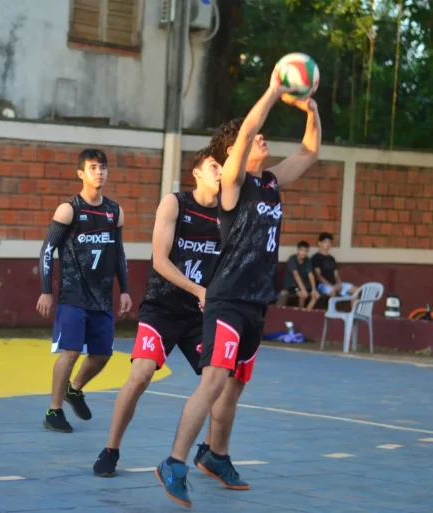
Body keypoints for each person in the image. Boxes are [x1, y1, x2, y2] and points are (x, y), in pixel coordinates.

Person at [155, 72, 321, 507]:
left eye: (267, 137)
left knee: (234, 386)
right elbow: (246, 131)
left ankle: (216, 455)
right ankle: (174, 462)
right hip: (226, 299)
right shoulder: (234, 185)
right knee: (212, 383)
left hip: (256, 302)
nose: (263, 140)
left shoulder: (270, 182)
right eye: (257, 139)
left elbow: (310, 152)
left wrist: (311, 109)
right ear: (235, 154)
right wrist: (273, 90)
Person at [92, 146, 222, 477]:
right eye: (214, 165)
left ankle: (209, 451)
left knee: (220, 380)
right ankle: (111, 449)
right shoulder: (175, 203)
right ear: (197, 172)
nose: (221, 172)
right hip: (162, 308)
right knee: (140, 375)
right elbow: (160, 261)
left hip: (199, 315)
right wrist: (198, 289)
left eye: (225, 166)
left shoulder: (229, 215)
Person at [37, 148, 132, 434]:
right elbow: (47, 249)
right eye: (93, 168)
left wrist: (125, 289)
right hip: (73, 294)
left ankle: (75, 389)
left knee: (103, 353)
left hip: (101, 296)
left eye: (103, 167)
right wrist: (46, 290)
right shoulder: (69, 209)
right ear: (81, 173)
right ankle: (54, 410)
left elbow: (119, 254)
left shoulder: (114, 211)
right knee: (71, 351)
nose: (99, 172)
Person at [312, 232, 358, 297]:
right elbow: (318, 276)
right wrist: (331, 286)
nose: (328, 244)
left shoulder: (332, 258)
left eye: (330, 242)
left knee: (356, 290)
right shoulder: (316, 257)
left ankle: (354, 307)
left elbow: (336, 274)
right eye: (325, 242)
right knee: (332, 291)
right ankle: (332, 307)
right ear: (319, 243)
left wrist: (339, 284)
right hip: (322, 285)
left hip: (334, 284)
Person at [277, 240, 320, 310]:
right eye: (302, 250)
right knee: (303, 295)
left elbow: (310, 275)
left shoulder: (307, 260)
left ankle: (306, 313)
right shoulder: (292, 259)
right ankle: (300, 314)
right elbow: (296, 275)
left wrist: (314, 289)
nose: (304, 253)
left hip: (304, 286)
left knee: (316, 295)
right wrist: (303, 290)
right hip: (292, 286)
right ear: (298, 250)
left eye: (306, 251)